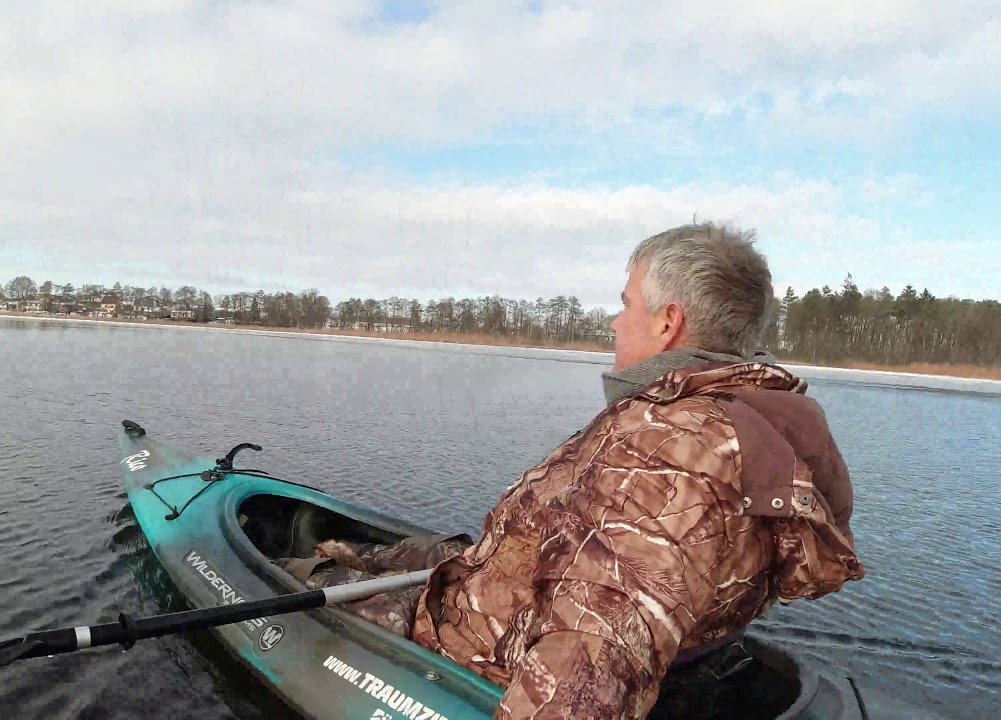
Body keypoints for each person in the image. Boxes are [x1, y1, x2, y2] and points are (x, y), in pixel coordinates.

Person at [284, 222, 864, 719]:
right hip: (514, 592)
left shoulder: (664, 453)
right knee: (405, 551)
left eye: (625, 303)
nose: (614, 322)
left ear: (668, 322)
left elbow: (595, 659)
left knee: (311, 582)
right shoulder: (742, 419)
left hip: (477, 648)